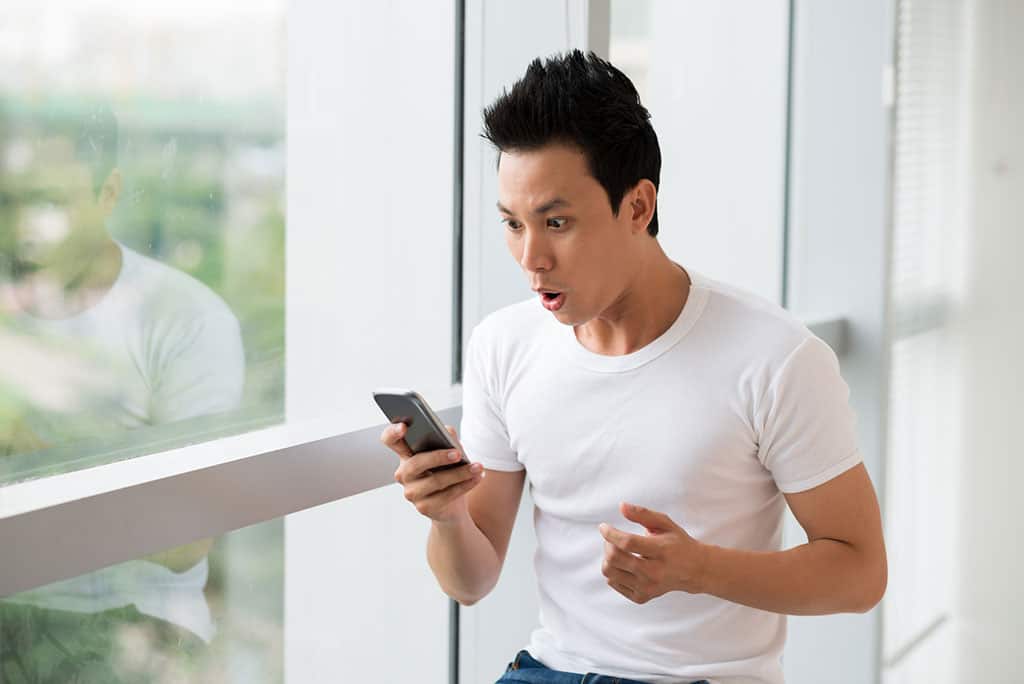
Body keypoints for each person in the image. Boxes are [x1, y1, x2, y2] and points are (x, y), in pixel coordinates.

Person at [381, 51, 887, 684]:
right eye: (513, 224)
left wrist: (698, 569)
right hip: (548, 670)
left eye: (556, 222)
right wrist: (448, 514)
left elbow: (861, 573)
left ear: (638, 206)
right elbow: (471, 581)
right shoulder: (503, 346)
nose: (530, 257)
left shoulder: (776, 356)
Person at [0, 101, 245, 682]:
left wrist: (30, 459)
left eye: (49, 200)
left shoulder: (183, 318)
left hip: (131, 620)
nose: (21, 223)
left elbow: (188, 540)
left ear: (108, 194)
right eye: (10, 198)